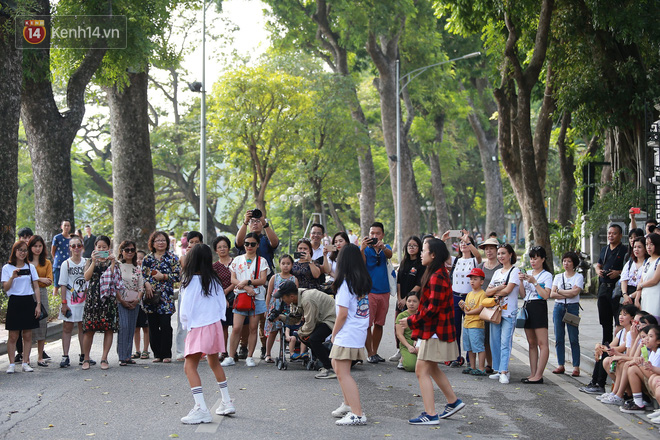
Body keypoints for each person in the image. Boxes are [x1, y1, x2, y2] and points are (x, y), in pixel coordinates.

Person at [399, 238, 465, 424]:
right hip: (434, 329)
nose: (421, 253)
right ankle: (453, 401)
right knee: (432, 368)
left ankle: (430, 414)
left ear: (433, 254)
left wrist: (411, 321)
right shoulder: (436, 272)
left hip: (435, 330)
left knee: (421, 370)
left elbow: (431, 309)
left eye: (424, 250)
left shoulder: (437, 276)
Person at [179, 244, 235, 424]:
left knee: (189, 367)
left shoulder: (189, 281)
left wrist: (187, 326)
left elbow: (185, 310)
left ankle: (201, 408)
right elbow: (222, 305)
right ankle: (226, 402)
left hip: (198, 327)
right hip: (215, 325)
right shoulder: (215, 280)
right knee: (214, 362)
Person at [328, 243, 371, 426]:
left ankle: (357, 413)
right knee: (336, 365)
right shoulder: (360, 280)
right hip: (356, 331)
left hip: (347, 331)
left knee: (343, 372)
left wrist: (333, 333)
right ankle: (348, 404)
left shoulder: (346, 283)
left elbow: (343, 314)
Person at [235, 209, 280, 360]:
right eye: (252, 222)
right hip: (244, 282)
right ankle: (243, 345)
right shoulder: (247, 240)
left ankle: (264, 346)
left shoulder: (265, 239)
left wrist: (265, 223)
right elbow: (238, 242)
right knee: (245, 314)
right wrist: (245, 221)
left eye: (257, 221)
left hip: (265, 282)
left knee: (263, 316)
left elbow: (275, 243)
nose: (255, 223)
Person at [222, 232, 270, 368]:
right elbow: (232, 278)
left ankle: (250, 356)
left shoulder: (262, 261)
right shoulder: (237, 260)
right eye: (247, 243)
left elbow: (263, 280)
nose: (249, 246)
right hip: (241, 296)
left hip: (257, 297)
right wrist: (246, 287)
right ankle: (231, 356)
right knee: (236, 327)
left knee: (253, 327)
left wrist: (248, 282)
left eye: (252, 244)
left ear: (257, 245)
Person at [273, 281, 337, 379]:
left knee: (313, 339)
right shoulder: (296, 298)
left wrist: (298, 333)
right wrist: (280, 317)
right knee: (306, 337)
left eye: (283, 297)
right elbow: (295, 319)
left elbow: (310, 324)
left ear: (291, 296)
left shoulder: (307, 299)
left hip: (332, 318)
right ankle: (330, 360)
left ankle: (330, 368)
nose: (282, 299)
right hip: (322, 319)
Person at [442, 229, 482, 367]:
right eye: (461, 242)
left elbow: (478, 255)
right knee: (455, 328)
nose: (463, 244)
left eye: (465, 242)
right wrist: (443, 240)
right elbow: (441, 255)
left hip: (470, 297)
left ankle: (470, 357)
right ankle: (456, 356)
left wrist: (468, 240)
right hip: (454, 296)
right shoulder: (455, 260)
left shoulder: (474, 261)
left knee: (470, 327)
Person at [142, 231, 181, 363]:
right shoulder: (147, 259)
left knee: (165, 325)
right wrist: (146, 284)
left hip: (166, 298)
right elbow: (141, 276)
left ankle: (166, 354)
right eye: (157, 240)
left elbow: (178, 276)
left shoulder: (172, 258)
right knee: (152, 325)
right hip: (150, 296)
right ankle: (157, 354)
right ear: (152, 243)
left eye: (163, 240)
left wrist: (164, 276)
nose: (160, 243)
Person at [81, 236, 119, 370]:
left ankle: (104, 358)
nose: (101, 249)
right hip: (92, 298)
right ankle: (86, 358)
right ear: (95, 248)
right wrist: (93, 261)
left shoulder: (113, 261)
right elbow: (86, 277)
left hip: (108, 298)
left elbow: (115, 279)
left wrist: (113, 262)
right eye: (99, 247)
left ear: (109, 248)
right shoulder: (90, 261)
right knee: (89, 330)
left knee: (108, 328)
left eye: (104, 247)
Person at [2, 241, 40, 373]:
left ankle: (26, 362)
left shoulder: (30, 267)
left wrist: (38, 305)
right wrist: (13, 277)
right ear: (15, 251)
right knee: (13, 335)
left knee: (28, 335)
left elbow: (36, 287)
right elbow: (5, 287)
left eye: (24, 250)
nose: (22, 253)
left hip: (28, 300)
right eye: (20, 250)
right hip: (14, 301)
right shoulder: (7, 268)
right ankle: (12, 363)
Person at [485, 244, 521, 384]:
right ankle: (498, 369)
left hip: (509, 312)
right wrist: (499, 288)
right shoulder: (497, 272)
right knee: (495, 342)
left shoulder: (514, 271)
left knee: (505, 342)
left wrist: (495, 290)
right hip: (495, 312)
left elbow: (509, 291)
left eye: (503, 253)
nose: (500, 256)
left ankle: (504, 371)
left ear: (510, 254)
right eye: (499, 253)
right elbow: (488, 292)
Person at [519, 246, 553, 384]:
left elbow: (546, 295)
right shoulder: (528, 272)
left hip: (539, 306)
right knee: (531, 343)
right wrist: (521, 281)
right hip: (527, 307)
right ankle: (532, 373)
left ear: (543, 259)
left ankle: (539, 375)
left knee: (542, 343)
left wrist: (534, 282)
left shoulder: (547, 275)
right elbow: (522, 295)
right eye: (531, 258)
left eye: (536, 258)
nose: (533, 261)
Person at [360, 222, 393, 364]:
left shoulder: (386, 247)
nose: (374, 236)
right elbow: (361, 264)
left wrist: (382, 247)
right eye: (372, 233)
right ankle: (370, 353)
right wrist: (361, 249)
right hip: (369, 291)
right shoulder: (366, 249)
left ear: (382, 235)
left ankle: (375, 351)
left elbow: (390, 255)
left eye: (377, 233)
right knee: (368, 324)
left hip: (384, 291)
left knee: (379, 323)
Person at [390, 236, 424, 363]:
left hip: (413, 300)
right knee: (398, 325)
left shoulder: (421, 264)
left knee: (411, 325)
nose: (411, 247)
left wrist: (406, 299)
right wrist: (399, 298)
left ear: (419, 248)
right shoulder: (403, 262)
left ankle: (414, 347)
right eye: (409, 245)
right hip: (401, 300)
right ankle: (400, 349)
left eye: (414, 245)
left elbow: (419, 284)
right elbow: (398, 282)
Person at [58, 235, 89, 367]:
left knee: (83, 328)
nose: (76, 248)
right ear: (70, 248)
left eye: (79, 245)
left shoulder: (86, 262)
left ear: (82, 247)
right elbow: (63, 284)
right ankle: (65, 356)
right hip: (70, 300)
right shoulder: (66, 264)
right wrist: (64, 303)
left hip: (84, 300)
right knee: (67, 327)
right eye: (73, 246)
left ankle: (84, 355)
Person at [550, 251, 584, 377]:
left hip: (572, 307)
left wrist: (559, 291)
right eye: (565, 261)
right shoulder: (558, 276)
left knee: (573, 337)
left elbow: (575, 293)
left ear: (574, 264)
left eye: (569, 261)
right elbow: (552, 294)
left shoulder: (578, 277)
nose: (566, 263)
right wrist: (566, 292)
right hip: (559, 307)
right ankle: (560, 364)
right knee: (559, 336)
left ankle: (576, 366)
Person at [595, 224, 628, 344]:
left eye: (614, 233)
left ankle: (618, 345)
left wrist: (618, 273)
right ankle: (606, 345)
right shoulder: (605, 249)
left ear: (620, 235)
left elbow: (628, 269)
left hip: (617, 290)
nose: (611, 236)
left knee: (619, 321)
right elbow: (598, 265)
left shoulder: (625, 250)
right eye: (609, 233)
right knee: (605, 321)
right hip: (604, 289)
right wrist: (599, 271)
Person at [175, 231, 203, 361]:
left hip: (200, 292)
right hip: (185, 292)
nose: (194, 245)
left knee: (200, 321)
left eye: (197, 243)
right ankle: (181, 350)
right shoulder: (183, 257)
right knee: (183, 321)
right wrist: (191, 253)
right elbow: (187, 266)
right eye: (191, 242)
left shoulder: (204, 257)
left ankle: (199, 350)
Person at [264, 255, 298, 363]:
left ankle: (283, 353)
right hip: (275, 307)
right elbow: (269, 294)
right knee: (273, 331)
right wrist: (267, 309)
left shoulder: (294, 279)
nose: (286, 266)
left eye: (288, 263)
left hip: (288, 307)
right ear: (280, 264)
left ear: (292, 265)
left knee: (285, 331)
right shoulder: (275, 277)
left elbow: (296, 296)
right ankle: (268, 353)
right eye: (283, 263)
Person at [116, 240, 144, 366]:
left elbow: (141, 286)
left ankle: (128, 355)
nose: (130, 252)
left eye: (132, 250)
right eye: (127, 250)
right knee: (124, 327)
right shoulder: (117, 266)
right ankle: (122, 356)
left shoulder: (137, 268)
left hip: (135, 302)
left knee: (131, 327)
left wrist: (137, 299)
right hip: (120, 301)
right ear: (121, 251)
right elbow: (114, 284)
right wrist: (121, 300)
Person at [27, 235, 53, 367]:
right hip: (27, 292)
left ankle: (40, 356)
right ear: (30, 247)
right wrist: (40, 279)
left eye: (40, 246)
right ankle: (26, 357)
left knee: (42, 323)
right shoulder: (25, 261)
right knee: (27, 325)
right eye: (35, 246)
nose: (37, 249)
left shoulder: (47, 262)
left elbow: (49, 280)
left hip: (41, 294)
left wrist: (37, 279)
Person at [477, 237, 501, 373]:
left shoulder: (501, 267)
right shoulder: (481, 267)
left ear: (497, 250)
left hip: (498, 305)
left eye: (492, 248)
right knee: (485, 336)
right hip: (484, 305)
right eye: (486, 249)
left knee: (497, 336)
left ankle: (499, 364)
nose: (489, 251)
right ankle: (489, 364)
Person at [458, 268, 488, 376]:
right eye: (471, 279)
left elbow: (480, 309)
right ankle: (472, 366)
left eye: (475, 279)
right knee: (469, 347)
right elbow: (467, 309)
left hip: (476, 324)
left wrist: (468, 313)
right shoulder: (469, 294)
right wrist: (463, 307)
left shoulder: (482, 294)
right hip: (467, 323)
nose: (472, 281)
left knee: (479, 347)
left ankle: (481, 368)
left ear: (481, 281)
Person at [212, 236, 235, 361]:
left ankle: (234, 351)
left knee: (237, 327)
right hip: (220, 300)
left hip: (236, 296)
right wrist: (222, 295)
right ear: (216, 250)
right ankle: (224, 351)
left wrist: (227, 290)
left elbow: (239, 278)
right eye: (219, 247)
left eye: (224, 246)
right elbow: (214, 284)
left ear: (229, 248)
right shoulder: (214, 266)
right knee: (223, 326)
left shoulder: (236, 263)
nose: (222, 249)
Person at [634, 233, 660, 322]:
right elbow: (641, 280)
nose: (648, 247)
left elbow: (655, 280)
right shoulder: (647, 261)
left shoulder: (659, 261)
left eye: (651, 244)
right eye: (647, 244)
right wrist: (637, 299)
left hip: (655, 298)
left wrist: (641, 285)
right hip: (645, 298)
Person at [395, 292, 420, 371]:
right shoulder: (402, 316)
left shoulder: (423, 315)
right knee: (411, 366)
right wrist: (409, 347)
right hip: (407, 344)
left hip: (420, 343)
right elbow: (399, 334)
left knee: (428, 367)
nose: (411, 304)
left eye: (414, 301)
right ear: (406, 302)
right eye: (409, 301)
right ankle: (403, 359)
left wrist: (418, 342)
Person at [134, 250, 150, 359]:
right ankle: (137, 350)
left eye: (141, 258)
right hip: (135, 303)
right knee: (136, 328)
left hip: (145, 303)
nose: (139, 261)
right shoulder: (132, 270)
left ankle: (145, 350)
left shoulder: (147, 272)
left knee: (146, 328)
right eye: (137, 258)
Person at [623, 236, 649, 306]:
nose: (636, 250)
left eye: (639, 247)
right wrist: (625, 295)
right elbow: (624, 279)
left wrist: (631, 296)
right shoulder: (630, 262)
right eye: (634, 247)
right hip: (628, 292)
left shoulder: (648, 263)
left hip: (640, 294)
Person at [51, 220, 72, 306]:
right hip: (58, 264)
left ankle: (69, 299)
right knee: (56, 284)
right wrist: (55, 259)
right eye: (65, 225)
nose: (66, 227)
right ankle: (54, 302)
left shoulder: (71, 239)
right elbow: (53, 250)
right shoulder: (57, 237)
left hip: (68, 264)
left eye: (68, 225)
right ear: (61, 227)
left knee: (69, 284)